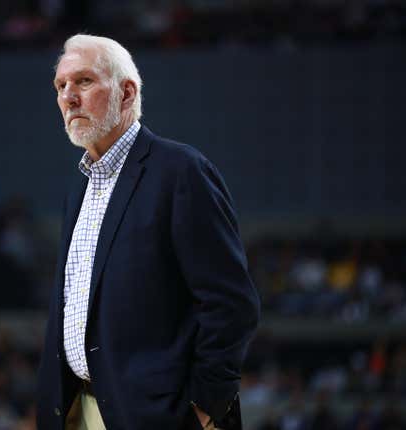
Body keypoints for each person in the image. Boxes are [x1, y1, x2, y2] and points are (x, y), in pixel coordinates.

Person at [37, 34, 260, 430]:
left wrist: (204, 407)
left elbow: (232, 304)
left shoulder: (181, 171)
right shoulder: (80, 188)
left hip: (159, 417)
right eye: (61, 85)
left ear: (126, 92)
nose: (68, 97)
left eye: (84, 81)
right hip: (82, 411)